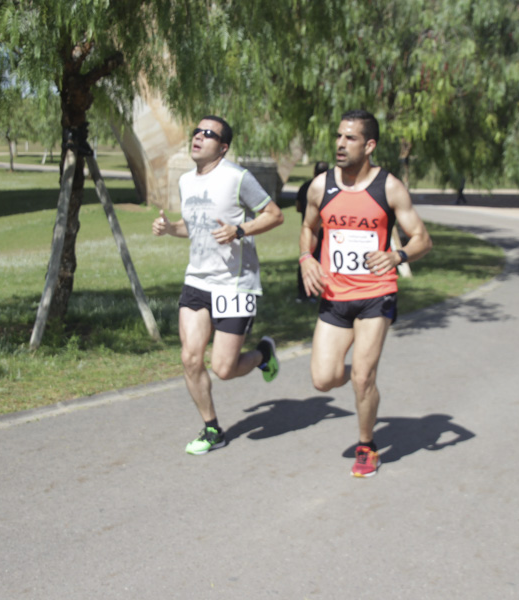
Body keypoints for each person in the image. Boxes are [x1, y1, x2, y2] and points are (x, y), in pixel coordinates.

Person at [299, 109, 433, 478]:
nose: (341, 144)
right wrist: (305, 260)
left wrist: (397, 255)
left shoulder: (388, 186)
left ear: (369, 145)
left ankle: (367, 445)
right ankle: (363, 381)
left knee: (362, 376)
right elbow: (309, 228)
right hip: (335, 296)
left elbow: (423, 238)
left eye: (351, 138)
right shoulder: (320, 186)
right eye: (339, 136)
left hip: (376, 295)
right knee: (323, 379)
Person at [152, 115, 285, 455]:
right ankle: (212, 429)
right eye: (196, 131)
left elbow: (274, 214)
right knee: (190, 358)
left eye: (208, 134)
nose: (198, 136)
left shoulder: (237, 177)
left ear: (222, 147)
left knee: (224, 369)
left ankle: (263, 354)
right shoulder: (185, 181)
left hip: (235, 285)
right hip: (197, 280)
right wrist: (171, 229)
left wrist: (240, 230)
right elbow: (193, 227)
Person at [295, 161, 330, 301]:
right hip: (324, 231)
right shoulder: (329, 187)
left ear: (314, 172)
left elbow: (297, 207)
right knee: (318, 260)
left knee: (306, 258)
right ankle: (315, 292)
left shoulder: (305, 187)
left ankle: (304, 293)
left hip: (308, 230)